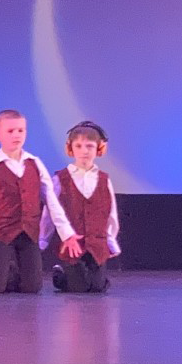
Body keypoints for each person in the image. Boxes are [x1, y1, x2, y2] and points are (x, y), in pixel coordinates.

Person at [0, 109, 83, 294]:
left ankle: (8, 272)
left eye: (21, 130)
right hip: (3, 233)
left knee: (32, 287)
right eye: (10, 131)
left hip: (29, 232)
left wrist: (66, 233)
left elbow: (51, 201)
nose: (16, 135)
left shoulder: (35, 163)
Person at [45, 120, 120, 294]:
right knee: (78, 287)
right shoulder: (61, 179)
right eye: (78, 146)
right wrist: (43, 239)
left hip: (96, 244)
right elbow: (49, 212)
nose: (84, 151)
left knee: (97, 287)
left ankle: (95, 276)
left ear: (99, 148)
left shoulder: (104, 179)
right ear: (70, 148)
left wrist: (111, 241)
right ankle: (61, 275)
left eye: (89, 146)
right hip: (73, 245)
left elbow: (110, 213)